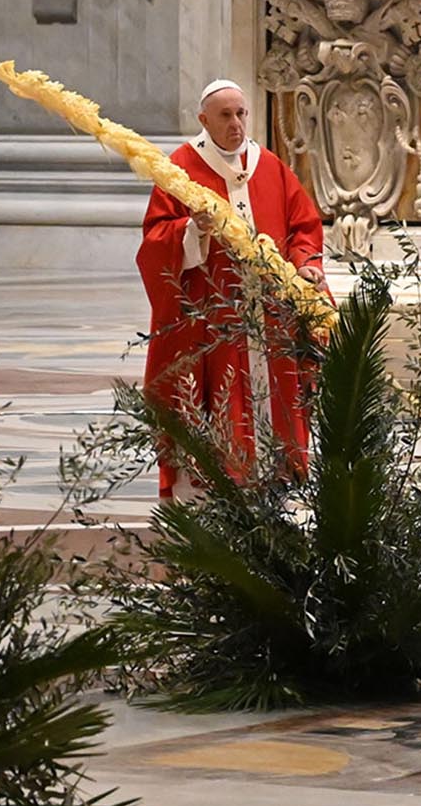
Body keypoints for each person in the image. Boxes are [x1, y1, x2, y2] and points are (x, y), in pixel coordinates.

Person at [137, 79, 329, 499]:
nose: (236, 124)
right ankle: (212, 492)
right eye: (225, 116)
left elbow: (303, 227)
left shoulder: (270, 166)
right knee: (220, 402)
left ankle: (277, 484)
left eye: (241, 113)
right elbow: (154, 240)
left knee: (273, 402)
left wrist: (305, 265)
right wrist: (193, 231)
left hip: (270, 319)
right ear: (204, 120)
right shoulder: (181, 168)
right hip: (213, 319)